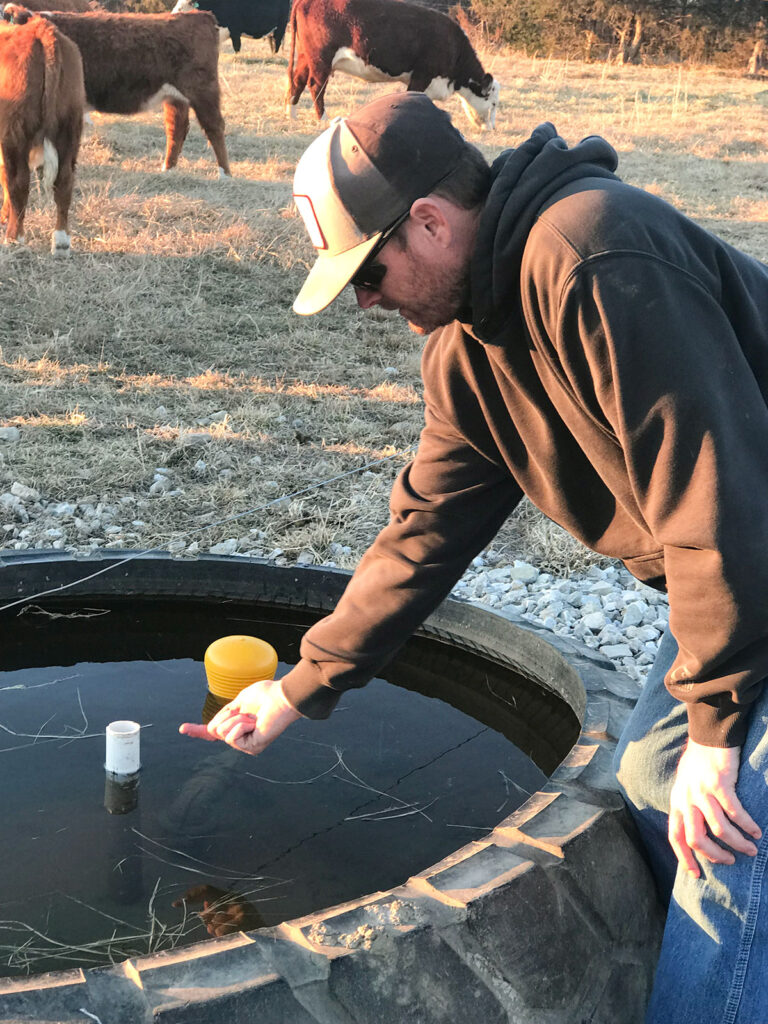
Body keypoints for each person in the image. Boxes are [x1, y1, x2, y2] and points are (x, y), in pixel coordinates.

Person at [180, 92, 768, 1021]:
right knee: (654, 780)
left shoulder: (594, 256)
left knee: (732, 835)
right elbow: (424, 532)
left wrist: (718, 728)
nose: (366, 302)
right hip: (740, 555)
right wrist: (302, 682)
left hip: (754, 538)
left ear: (430, 221)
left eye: (367, 273)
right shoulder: (466, 348)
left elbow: (720, 497)